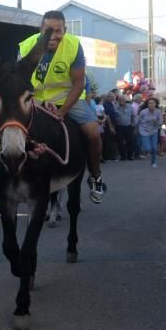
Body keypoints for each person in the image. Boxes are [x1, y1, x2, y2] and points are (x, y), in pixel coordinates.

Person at [21, 11, 106, 202]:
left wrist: (62, 111)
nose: (52, 35)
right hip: (35, 100)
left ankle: (95, 176)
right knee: (10, 128)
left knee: (93, 133)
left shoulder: (74, 46)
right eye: (48, 30)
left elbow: (78, 83)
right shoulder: (27, 46)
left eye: (58, 31)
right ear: (40, 30)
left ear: (65, 30)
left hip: (68, 100)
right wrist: (33, 101)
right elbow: (19, 80)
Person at [135, 97, 163, 167]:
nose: (151, 105)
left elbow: (160, 122)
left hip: (154, 131)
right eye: (150, 103)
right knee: (148, 148)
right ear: (147, 104)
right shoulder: (143, 112)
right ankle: (143, 148)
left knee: (154, 148)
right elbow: (137, 120)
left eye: (153, 103)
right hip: (144, 131)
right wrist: (135, 128)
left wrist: (156, 122)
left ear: (155, 104)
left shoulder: (158, 111)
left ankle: (153, 162)